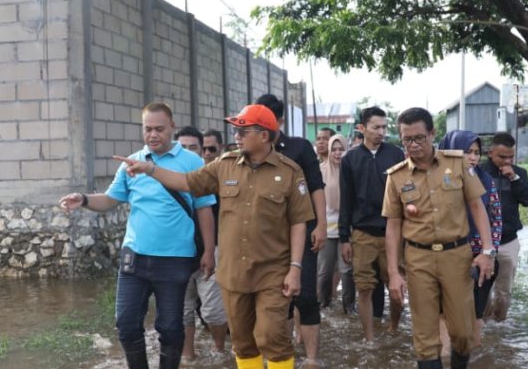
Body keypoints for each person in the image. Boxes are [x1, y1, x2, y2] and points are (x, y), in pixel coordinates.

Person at [113, 104, 313, 369]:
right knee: (242, 340)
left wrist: (295, 268)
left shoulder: (289, 172)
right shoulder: (224, 166)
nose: (236, 136)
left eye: (243, 130)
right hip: (233, 273)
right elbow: (186, 182)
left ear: (264, 135)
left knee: (271, 335)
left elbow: (299, 221)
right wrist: (150, 170)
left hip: (272, 271)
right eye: (235, 130)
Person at [59, 102, 216, 369]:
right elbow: (110, 199)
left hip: (175, 259)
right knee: (126, 323)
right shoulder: (131, 163)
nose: (153, 135)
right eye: (147, 129)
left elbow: (204, 210)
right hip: (135, 258)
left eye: (159, 129)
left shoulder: (192, 162)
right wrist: (83, 199)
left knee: (171, 327)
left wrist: (209, 252)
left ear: (172, 128)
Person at [384, 108, 496, 369]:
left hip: (457, 256)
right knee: (425, 337)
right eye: (407, 140)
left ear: (432, 134)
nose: (413, 145)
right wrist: (393, 273)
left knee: (463, 333)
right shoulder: (397, 176)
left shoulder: (457, 164)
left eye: (419, 138)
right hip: (418, 258)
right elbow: (392, 225)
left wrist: (487, 251)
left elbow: (478, 208)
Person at [252, 93, 327, 364]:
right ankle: (281, 357)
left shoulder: (300, 147)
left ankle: (311, 359)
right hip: (267, 239)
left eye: (267, 120)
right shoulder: (249, 150)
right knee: (276, 301)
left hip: (302, 232)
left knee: (306, 296)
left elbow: (316, 186)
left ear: (280, 121)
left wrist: (320, 224)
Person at [339, 106, 405, 342]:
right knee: (364, 288)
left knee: (396, 287)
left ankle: (394, 328)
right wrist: (344, 238)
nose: (381, 132)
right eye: (376, 127)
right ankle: (369, 339)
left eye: (384, 127)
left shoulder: (396, 155)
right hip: (362, 234)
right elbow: (345, 200)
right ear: (362, 128)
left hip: (392, 232)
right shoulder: (350, 159)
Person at [437, 130, 503, 355]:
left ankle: (476, 357)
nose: (473, 157)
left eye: (476, 152)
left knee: (475, 312)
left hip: (480, 257)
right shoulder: (438, 180)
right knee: (443, 311)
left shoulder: (485, 180)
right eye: (467, 152)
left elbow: (495, 218)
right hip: (447, 255)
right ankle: (446, 358)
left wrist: (490, 253)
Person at [176, 126, 228, 360]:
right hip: (177, 256)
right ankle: (189, 357)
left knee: (214, 312)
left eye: (193, 148)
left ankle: (220, 350)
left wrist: (214, 250)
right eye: (182, 148)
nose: (187, 152)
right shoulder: (166, 178)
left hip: (211, 252)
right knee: (184, 311)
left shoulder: (218, 179)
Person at [479, 132, 528, 322]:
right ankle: (483, 327)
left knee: (504, 291)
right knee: (481, 290)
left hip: (508, 240)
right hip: (481, 242)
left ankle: (500, 329)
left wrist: (515, 178)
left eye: (511, 156)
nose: (507, 161)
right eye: (502, 157)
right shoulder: (479, 173)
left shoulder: (519, 173)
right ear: (490, 153)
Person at [316, 134, 353, 311]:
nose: (338, 153)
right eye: (334, 150)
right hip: (326, 230)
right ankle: (323, 307)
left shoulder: (352, 170)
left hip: (348, 231)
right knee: (324, 273)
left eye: (342, 149)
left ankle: (349, 309)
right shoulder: (320, 170)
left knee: (347, 272)